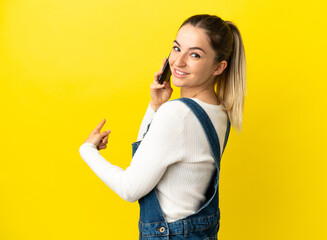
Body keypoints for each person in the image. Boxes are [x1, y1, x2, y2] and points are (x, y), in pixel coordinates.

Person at [79, 14, 246, 239]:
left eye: (194, 54)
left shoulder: (177, 115)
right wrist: (156, 106)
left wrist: (87, 150)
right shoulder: (219, 111)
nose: (178, 61)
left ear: (218, 67)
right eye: (177, 48)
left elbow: (130, 188)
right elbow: (144, 161)